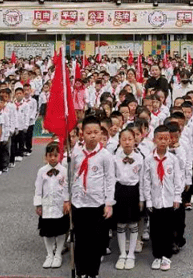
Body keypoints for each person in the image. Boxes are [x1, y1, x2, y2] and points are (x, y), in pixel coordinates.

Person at [71, 116, 116, 278]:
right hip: (78, 203)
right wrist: (67, 199)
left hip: (97, 204)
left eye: (96, 132)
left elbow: (110, 180)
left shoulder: (105, 155)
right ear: (82, 134)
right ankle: (81, 271)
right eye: (88, 132)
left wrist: (109, 203)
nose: (92, 136)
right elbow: (71, 176)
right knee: (80, 240)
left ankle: (93, 272)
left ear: (101, 134)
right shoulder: (76, 153)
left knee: (95, 241)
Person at [141, 125, 185, 271]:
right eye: (160, 138)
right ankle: (157, 255)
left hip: (169, 200)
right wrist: (147, 199)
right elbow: (145, 181)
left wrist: (177, 197)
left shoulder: (173, 159)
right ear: (154, 139)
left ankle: (166, 256)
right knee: (155, 230)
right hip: (155, 201)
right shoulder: (148, 160)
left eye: (166, 138)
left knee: (168, 229)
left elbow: (178, 180)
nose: (163, 141)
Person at [34, 141, 69, 269]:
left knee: (60, 231)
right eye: (50, 155)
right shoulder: (42, 171)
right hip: (46, 205)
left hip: (60, 205)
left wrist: (67, 201)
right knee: (47, 232)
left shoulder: (64, 171)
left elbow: (67, 187)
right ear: (46, 156)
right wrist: (38, 204)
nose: (53, 158)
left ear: (60, 155)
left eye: (55, 155)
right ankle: (49, 254)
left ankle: (58, 254)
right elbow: (38, 188)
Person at [113, 128, 143, 270]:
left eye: (130, 139)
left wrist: (142, 198)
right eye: (124, 139)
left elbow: (142, 180)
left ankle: (131, 254)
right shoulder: (114, 157)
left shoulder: (140, 157)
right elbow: (111, 178)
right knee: (120, 224)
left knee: (132, 224)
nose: (127, 142)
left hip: (134, 191)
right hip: (119, 191)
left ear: (134, 140)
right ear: (119, 141)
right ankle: (122, 254)